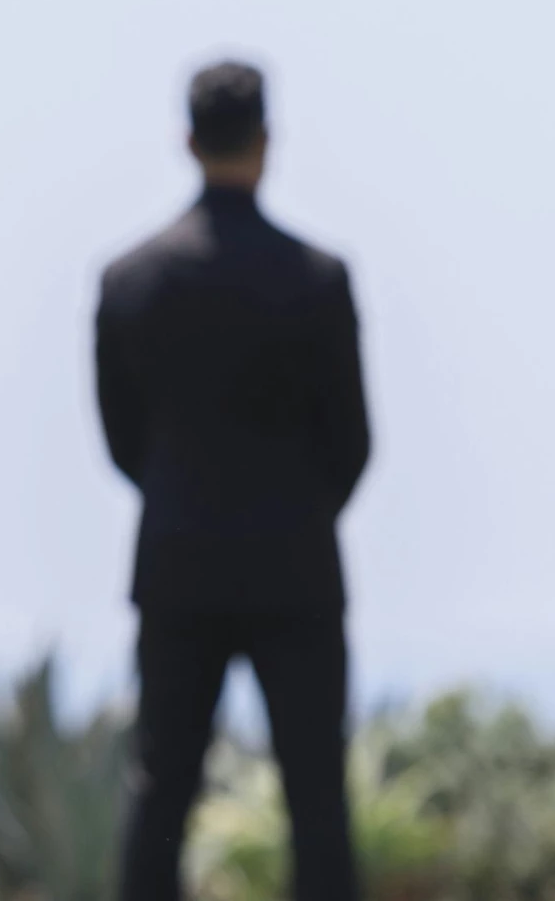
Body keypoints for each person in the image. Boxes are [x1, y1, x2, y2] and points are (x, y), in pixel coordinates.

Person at [95, 60, 370, 901]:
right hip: (297, 571)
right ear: (266, 142)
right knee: (317, 798)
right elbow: (353, 443)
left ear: (188, 140)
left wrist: (184, 498)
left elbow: (121, 440)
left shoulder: (130, 279)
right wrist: (293, 512)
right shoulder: (319, 280)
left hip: (179, 565)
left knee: (163, 792)